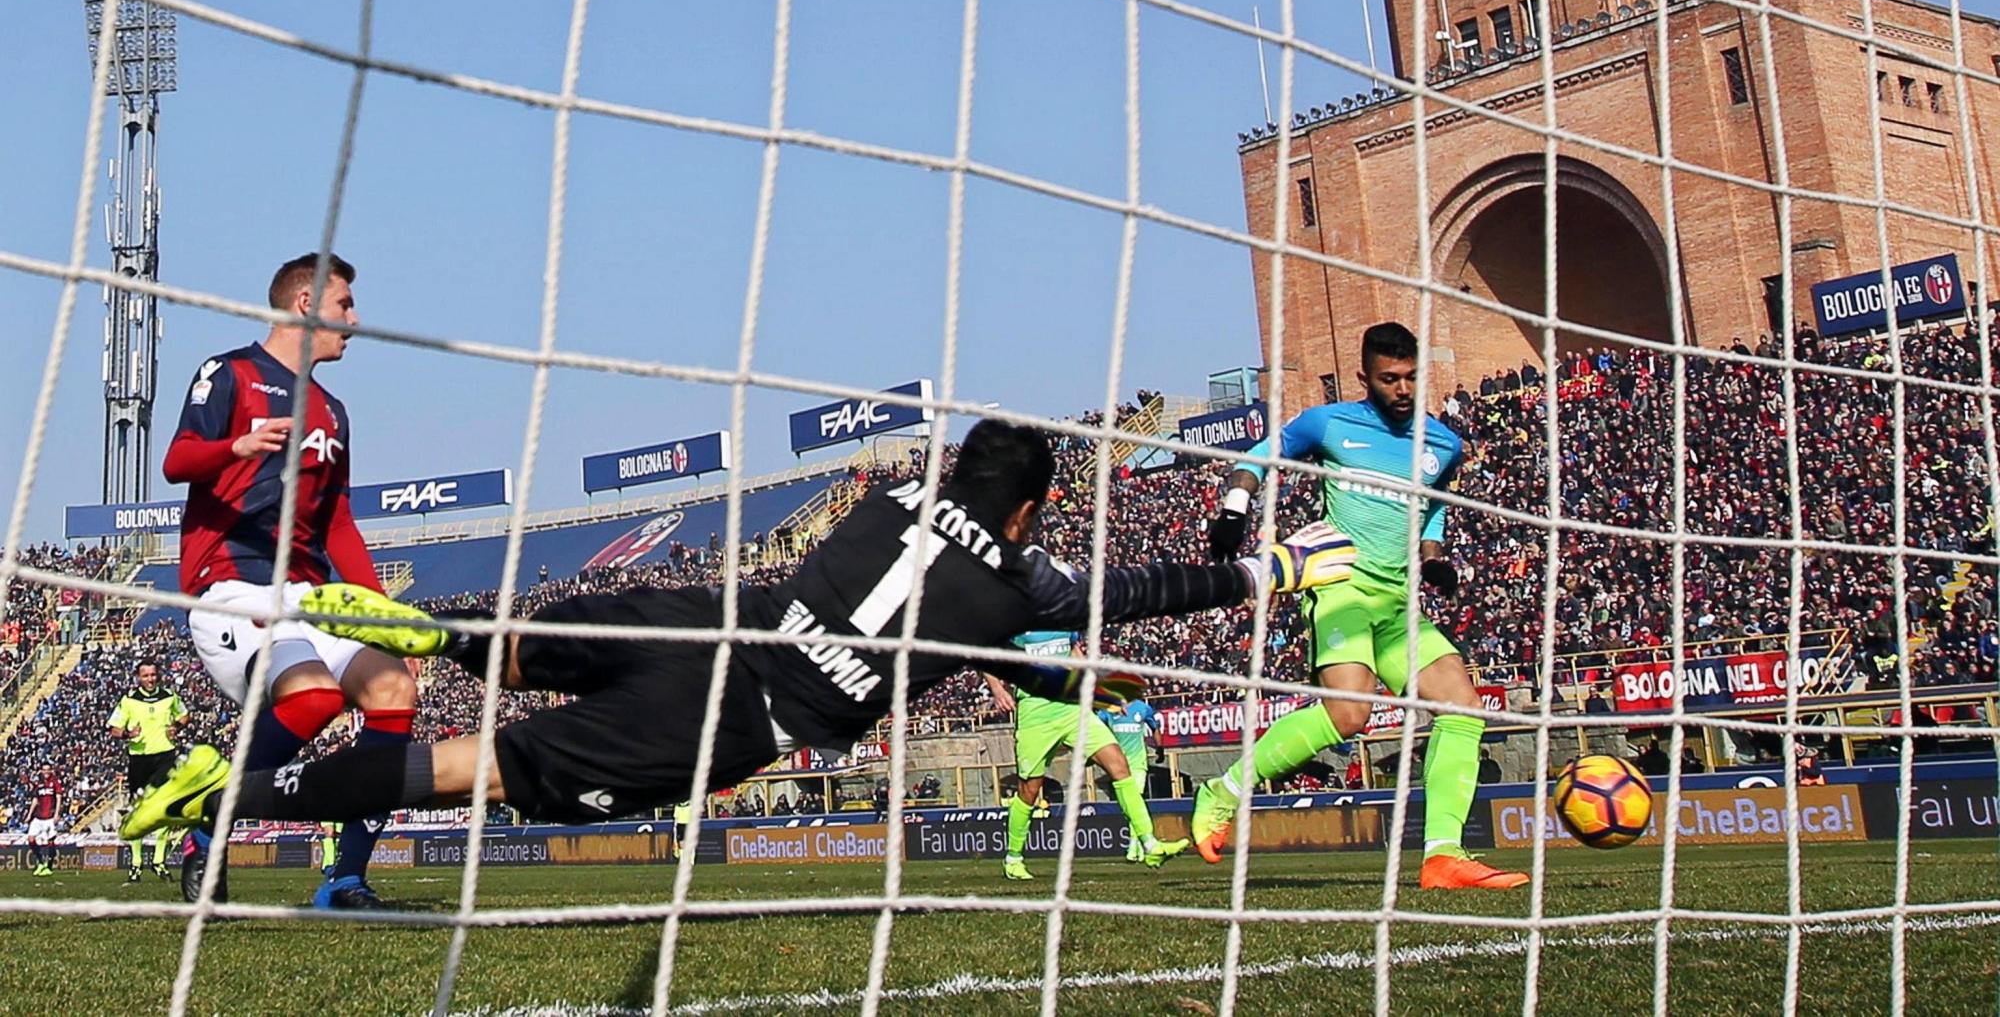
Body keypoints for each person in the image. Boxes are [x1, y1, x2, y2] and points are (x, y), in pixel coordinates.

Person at [125, 421, 1356, 845]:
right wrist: (1259, 570)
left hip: (714, 613)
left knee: (507, 645)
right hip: (737, 712)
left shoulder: (883, 496)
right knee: (477, 768)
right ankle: (237, 792)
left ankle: (438, 632)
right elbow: (1125, 596)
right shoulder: (1022, 590)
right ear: (1030, 505)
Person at [1199, 321, 1527, 890]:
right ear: (1365, 378)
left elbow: (1432, 508)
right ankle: (1223, 793)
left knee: (1463, 709)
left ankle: (1443, 856)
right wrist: (1233, 510)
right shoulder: (1328, 423)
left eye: (1409, 378)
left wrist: (1433, 556)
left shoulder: (1442, 444)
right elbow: (1257, 459)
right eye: (1389, 379)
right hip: (1343, 586)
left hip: (1400, 602)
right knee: (1351, 715)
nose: (1402, 389)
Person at [163, 253, 417, 910]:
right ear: (304, 303)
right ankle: (206, 822)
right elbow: (176, 460)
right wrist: (236, 447)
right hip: (232, 587)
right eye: (345, 306)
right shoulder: (232, 372)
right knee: (313, 700)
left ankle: (345, 879)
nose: (354, 322)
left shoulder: (332, 411)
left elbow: (338, 524)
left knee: (394, 688)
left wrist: (382, 614)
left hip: (308, 596)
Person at [984, 646, 1181, 881]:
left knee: (1119, 765)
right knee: (1029, 790)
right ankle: (1013, 858)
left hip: (1073, 709)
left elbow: (1078, 658)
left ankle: (1150, 845)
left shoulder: (1063, 619)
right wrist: (997, 688)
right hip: (1036, 711)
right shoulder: (1016, 620)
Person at [108, 658, 188, 883]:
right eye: (146, 675)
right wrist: (127, 734)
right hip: (139, 758)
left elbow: (184, 715)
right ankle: (135, 865)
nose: (150, 679)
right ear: (138, 677)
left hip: (165, 756)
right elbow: (114, 729)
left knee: (163, 809)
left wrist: (177, 727)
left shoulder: (170, 697)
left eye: (153, 675)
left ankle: (158, 861)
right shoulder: (129, 700)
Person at [1096, 695, 1165, 863]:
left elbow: (1155, 726)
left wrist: (1160, 748)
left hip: (1138, 762)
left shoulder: (1142, 707)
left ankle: (1134, 845)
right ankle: (1141, 843)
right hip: (1118, 764)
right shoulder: (1109, 709)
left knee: (1135, 799)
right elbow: (1096, 727)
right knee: (1128, 805)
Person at [25, 767, 62, 876]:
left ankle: (49, 867)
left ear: (51, 771)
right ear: (41, 771)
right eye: (44, 770)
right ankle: (41, 862)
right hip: (38, 817)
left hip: (49, 817)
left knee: (50, 841)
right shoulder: (39, 783)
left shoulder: (55, 782)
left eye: (48, 769)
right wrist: (29, 814)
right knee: (31, 839)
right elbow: (35, 800)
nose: (46, 772)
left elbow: (59, 798)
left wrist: (56, 814)